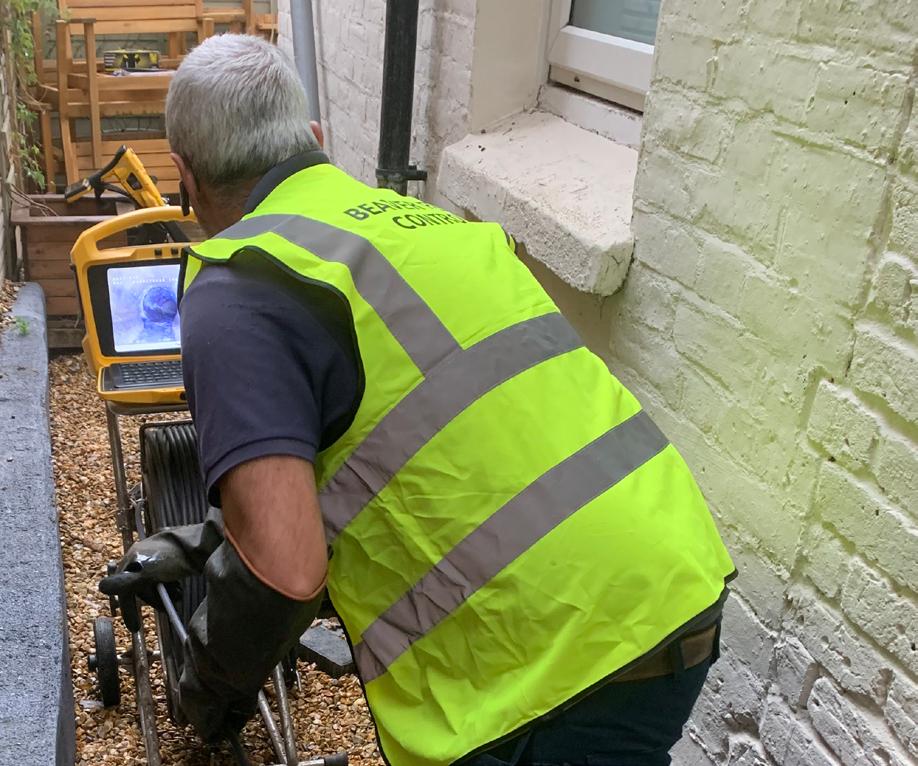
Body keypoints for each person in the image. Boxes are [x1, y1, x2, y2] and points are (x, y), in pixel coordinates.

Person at [100, 34, 736, 766]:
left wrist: (209, 694)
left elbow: (284, 572)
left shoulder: (236, 286)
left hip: (560, 660)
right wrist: (199, 544)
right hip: (674, 580)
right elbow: (404, 446)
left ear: (184, 175)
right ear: (315, 140)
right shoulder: (427, 227)